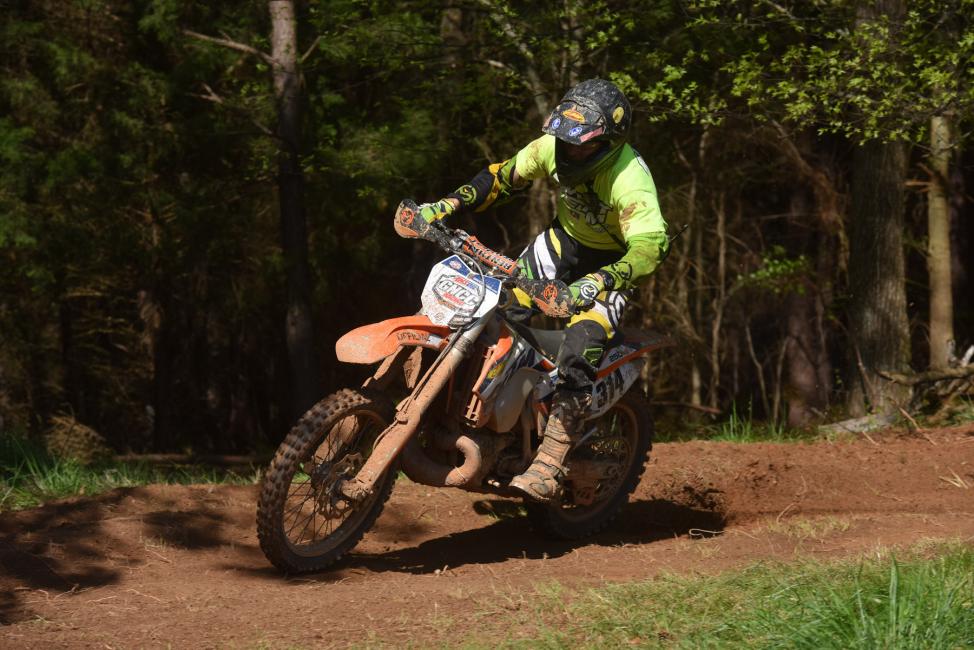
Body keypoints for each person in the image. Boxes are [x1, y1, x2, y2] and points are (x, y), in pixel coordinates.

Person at [415, 78, 669, 502]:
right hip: (563, 245)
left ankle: (550, 463)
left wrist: (599, 281)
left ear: (608, 143)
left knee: (582, 343)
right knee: (492, 308)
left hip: (613, 265)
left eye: (583, 146)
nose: (571, 152)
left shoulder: (629, 177)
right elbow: (501, 178)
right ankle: (489, 418)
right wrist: (445, 205)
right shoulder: (553, 145)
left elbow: (650, 245)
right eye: (567, 142)